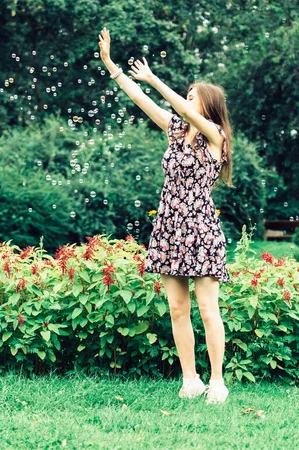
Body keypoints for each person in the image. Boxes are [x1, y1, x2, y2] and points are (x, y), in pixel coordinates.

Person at [98, 29, 233, 404]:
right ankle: (190, 379)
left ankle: (217, 382)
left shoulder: (214, 135)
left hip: (201, 228)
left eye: (192, 96)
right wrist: (112, 66)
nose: (187, 101)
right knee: (177, 308)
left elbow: (185, 110)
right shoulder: (176, 131)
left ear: (208, 104)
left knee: (208, 308)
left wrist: (155, 78)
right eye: (186, 94)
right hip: (170, 227)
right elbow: (142, 101)